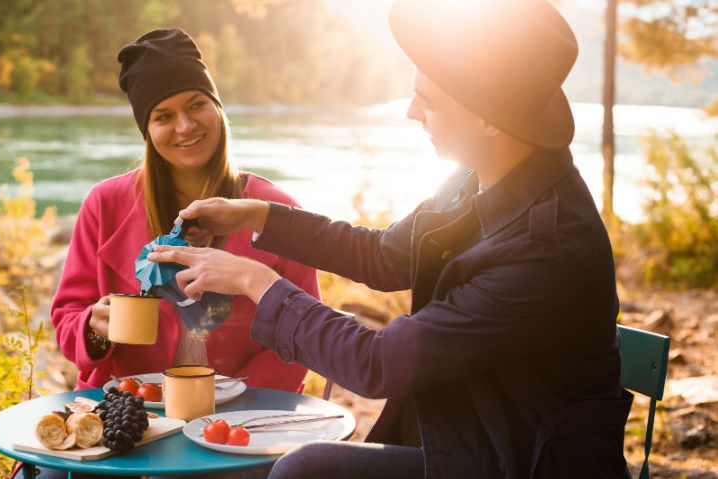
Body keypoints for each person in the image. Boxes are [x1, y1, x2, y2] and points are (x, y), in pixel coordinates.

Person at [147, 1, 634, 478]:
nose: (411, 111)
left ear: (489, 118)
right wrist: (256, 215)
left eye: (430, 99)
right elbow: (381, 255)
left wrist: (257, 281)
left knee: (307, 469)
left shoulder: (545, 250)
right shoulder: (481, 178)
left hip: (523, 460)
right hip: (468, 436)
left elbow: (376, 365)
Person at [50, 28, 319, 396]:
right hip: (128, 410)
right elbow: (67, 321)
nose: (185, 126)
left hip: (244, 417)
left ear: (217, 107)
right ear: (147, 130)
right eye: (163, 116)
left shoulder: (278, 211)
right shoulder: (104, 204)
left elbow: (303, 333)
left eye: (196, 104)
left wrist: (229, 403)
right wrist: (93, 328)